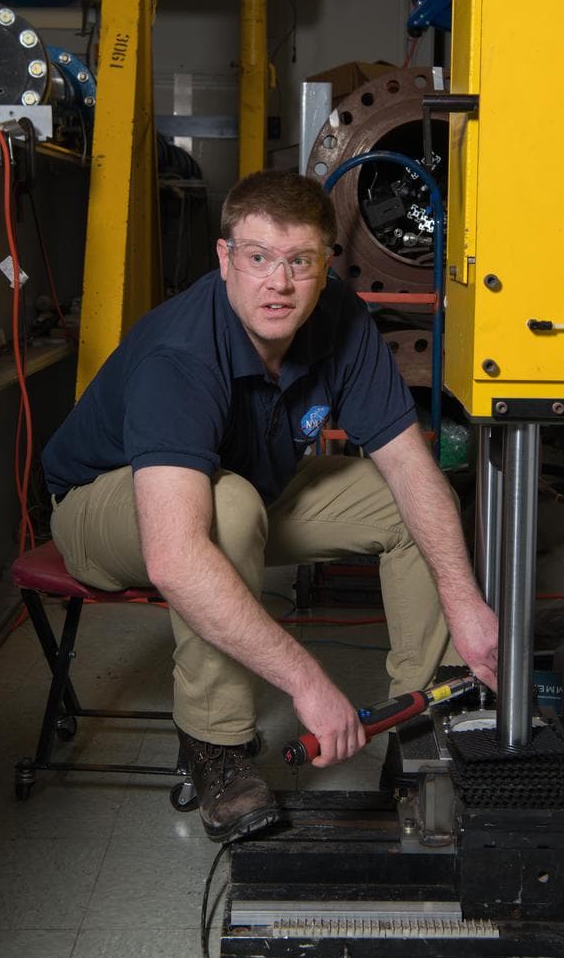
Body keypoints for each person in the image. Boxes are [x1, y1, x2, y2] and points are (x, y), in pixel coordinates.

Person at [42, 169, 498, 844]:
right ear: (225, 258)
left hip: (252, 486)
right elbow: (174, 555)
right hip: (102, 506)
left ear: (325, 264)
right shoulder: (182, 355)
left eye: (299, 262)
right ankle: (217, 748)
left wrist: (465, 604)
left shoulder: (339, 318)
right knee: (223, 511)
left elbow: (407, 463)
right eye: (257, 258)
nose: (278, 284)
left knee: (401, 498)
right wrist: (307, 682)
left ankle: (421, 720)